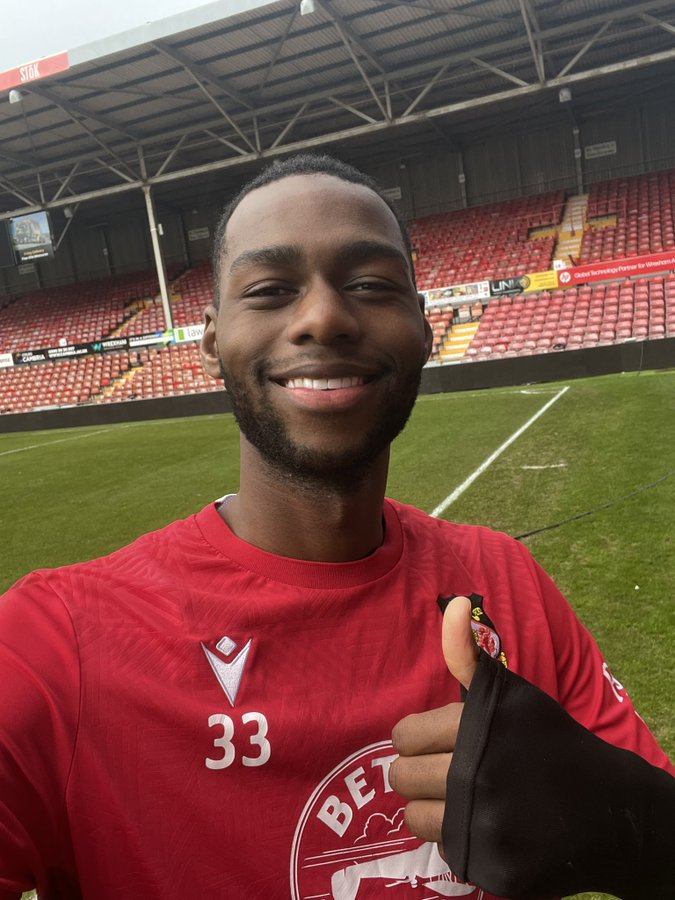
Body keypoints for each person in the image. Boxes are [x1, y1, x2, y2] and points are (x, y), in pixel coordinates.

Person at [0, 153, 672, 900]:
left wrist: (628, 823)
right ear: (210, 339)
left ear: (422, 326)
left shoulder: (505, 580)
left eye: (370, 285)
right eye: (268, 290)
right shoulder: (52, 644)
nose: (322, 317)